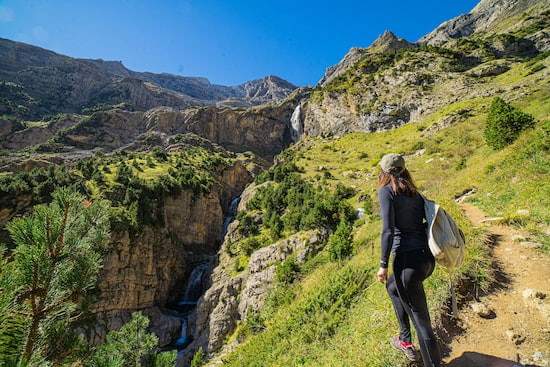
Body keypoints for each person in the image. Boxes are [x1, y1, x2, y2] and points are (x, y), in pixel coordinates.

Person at [375, 153, 441, 367]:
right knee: (393, 288)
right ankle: (405, 340)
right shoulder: (415, 193)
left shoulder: (387, 192)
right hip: (426, 259)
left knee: (421, 321)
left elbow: (387, 231)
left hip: (407, 262)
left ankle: (433, 364)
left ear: (384, 172)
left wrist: (383, 264)